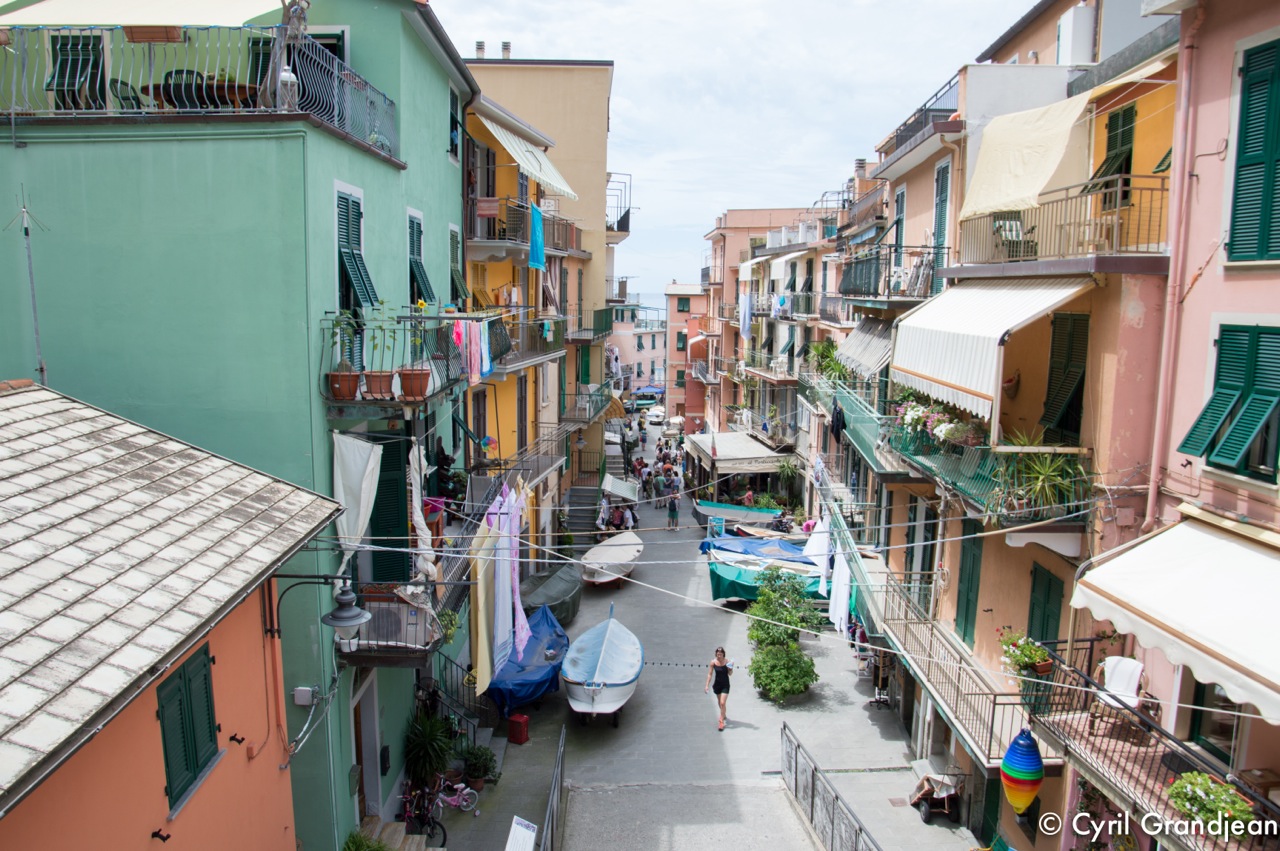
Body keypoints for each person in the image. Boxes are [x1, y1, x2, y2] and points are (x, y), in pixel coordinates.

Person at [704, 647, 733, 731]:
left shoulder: (727, 662)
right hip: (717, 684)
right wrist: (706, 685)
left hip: (725, 685)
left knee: (722, 702)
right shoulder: (713, 662)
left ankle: (721, 722)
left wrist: (730, 669)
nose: (719, 656)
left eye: (720, 654)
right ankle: (723, 714)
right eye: (717, 654)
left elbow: (730, 674)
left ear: (723, 654)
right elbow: (710, 674)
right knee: (720, 703)